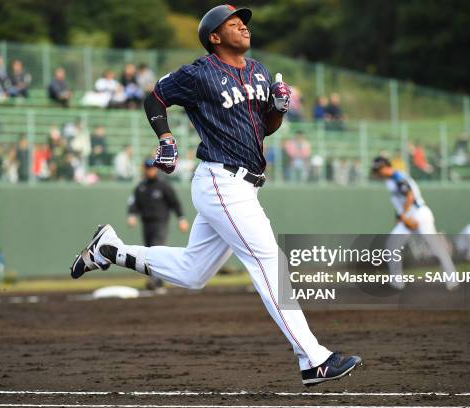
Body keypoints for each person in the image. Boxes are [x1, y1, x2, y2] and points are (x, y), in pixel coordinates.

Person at [70, 4, 361, 386]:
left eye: (244, 20)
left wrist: (278, 109)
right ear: (214, 36)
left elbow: (265, 128)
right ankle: (314, 360)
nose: (242, 24)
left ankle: (110, 250)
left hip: (243, 185)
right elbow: (154, 98)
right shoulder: (199, 72)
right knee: (268, 261)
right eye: (232, 22)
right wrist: (166, 137)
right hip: (221, 180)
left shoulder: (257, 71)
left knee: (193, 272)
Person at [371, 156, 458, 291]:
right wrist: (401, 217)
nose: (376, 173)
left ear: (385, 167)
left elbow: (410, 197)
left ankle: (452, 279)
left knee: (435, 247)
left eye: (378, 169)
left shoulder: (398, 176)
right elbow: (401, 202)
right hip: (408, 216)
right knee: (392, 244)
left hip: (419, 214)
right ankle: (396, 283)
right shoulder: (389, 181)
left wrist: (403, 216)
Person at [127, 159, 189, 291]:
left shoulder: (163, 185)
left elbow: (174, 203)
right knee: (149, 252)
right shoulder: (141, 186)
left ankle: (154, 281)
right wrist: (132, 215)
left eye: (152, 168)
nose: (150, 170)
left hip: (160, 222)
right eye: (148, 168)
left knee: (156, 249)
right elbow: (134, 203)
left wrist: (181, 218)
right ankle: (158, 282)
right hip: (146, 223)